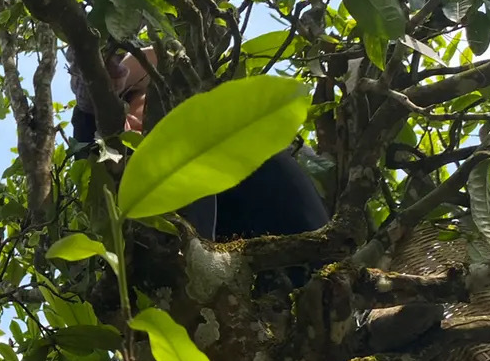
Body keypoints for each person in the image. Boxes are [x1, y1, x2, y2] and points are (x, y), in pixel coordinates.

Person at [67, 45, 328, 254]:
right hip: (256, 274)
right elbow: (97, 169)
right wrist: (91, 103)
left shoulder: (213, 136)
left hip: (305, 252)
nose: (136, 121)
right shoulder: (134, 175)